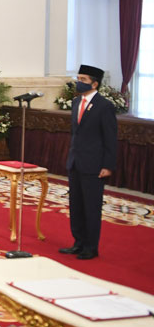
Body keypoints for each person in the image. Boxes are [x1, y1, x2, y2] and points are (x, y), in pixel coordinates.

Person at [58, 64, 118, 261]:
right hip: (75, 162)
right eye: (78, 78)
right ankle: (78, 242)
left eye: (83, 79)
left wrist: (108, 165)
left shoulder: (105, 106)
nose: (79, 82)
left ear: (95, 83)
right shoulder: (76, 102)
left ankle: (91, 247)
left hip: (94, 164)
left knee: (91, 207)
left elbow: (110, 138)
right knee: (76, 205)